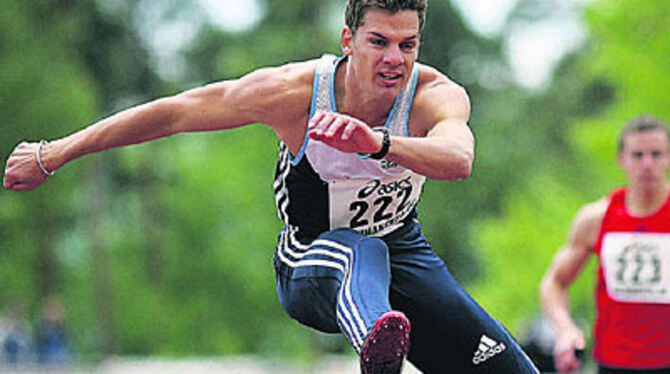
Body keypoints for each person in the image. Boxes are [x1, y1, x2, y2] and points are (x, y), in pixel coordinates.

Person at [3, 1, 539, 372]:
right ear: (349, 40)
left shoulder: (434, 95)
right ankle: (379, 353)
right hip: (311, 258)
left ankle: (386, 337)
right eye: (379, 43)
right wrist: (54, 153)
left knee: (504, 365)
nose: (394, 60)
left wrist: (377, 144)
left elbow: (459, 156)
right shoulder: (293, 93)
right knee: (360, 251)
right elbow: (174, 114)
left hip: (406, 254)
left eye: (407, 45)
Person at [540, 115, 670, 374]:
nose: (647, 164)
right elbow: (554, 282)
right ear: (621, 160)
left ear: (668, 158)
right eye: (638, 155)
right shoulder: (596, 218)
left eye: (656, 154)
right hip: (614, 363)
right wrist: (565, 330)